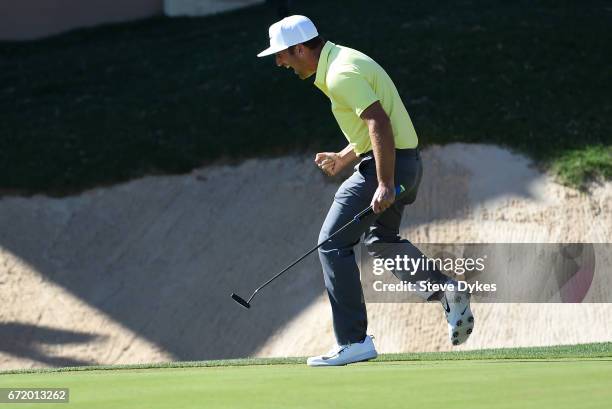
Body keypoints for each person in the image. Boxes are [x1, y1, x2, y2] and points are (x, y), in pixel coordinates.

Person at [257, 15, 474, 366]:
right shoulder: (342, 59)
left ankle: (353, 341)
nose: (279, 63)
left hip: (386, 167)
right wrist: (344, 156)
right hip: (406, 162)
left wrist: (384, 182)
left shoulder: (340, 73)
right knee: (381, 238)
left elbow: (378, 122)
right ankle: (445, 289)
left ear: (299, 49)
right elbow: (371, 122)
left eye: (281, 55)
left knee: (331, 243)